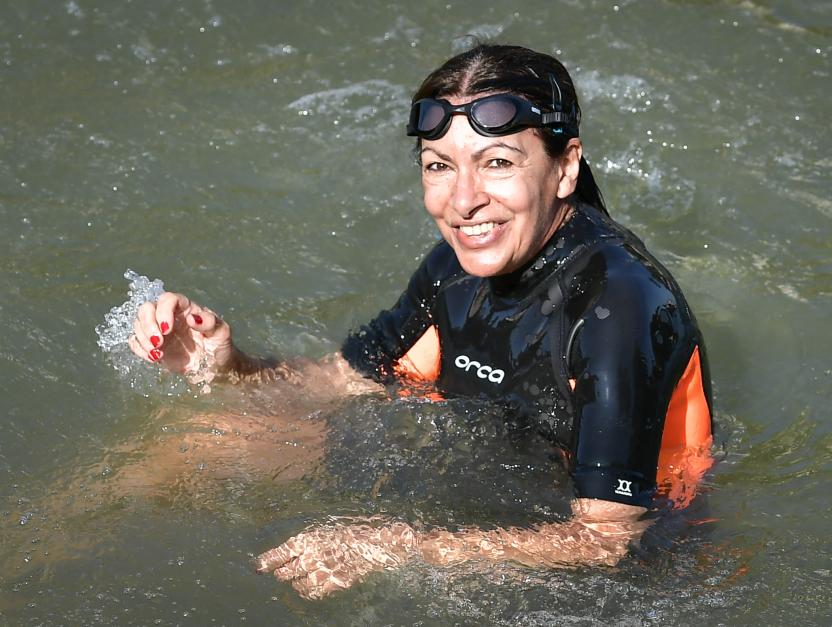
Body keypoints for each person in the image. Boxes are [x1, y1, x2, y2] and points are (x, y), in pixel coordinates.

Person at [128, 43, 713, 600]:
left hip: (631, 573)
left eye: (498, 163)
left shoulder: (618, 308)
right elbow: (337, 383)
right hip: (487, 483)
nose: (462, 201)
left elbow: (608, 541)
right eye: (439, 166)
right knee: (196, 445)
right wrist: (231, 365)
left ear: (565, 167)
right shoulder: (453, 270)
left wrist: (397, 546)